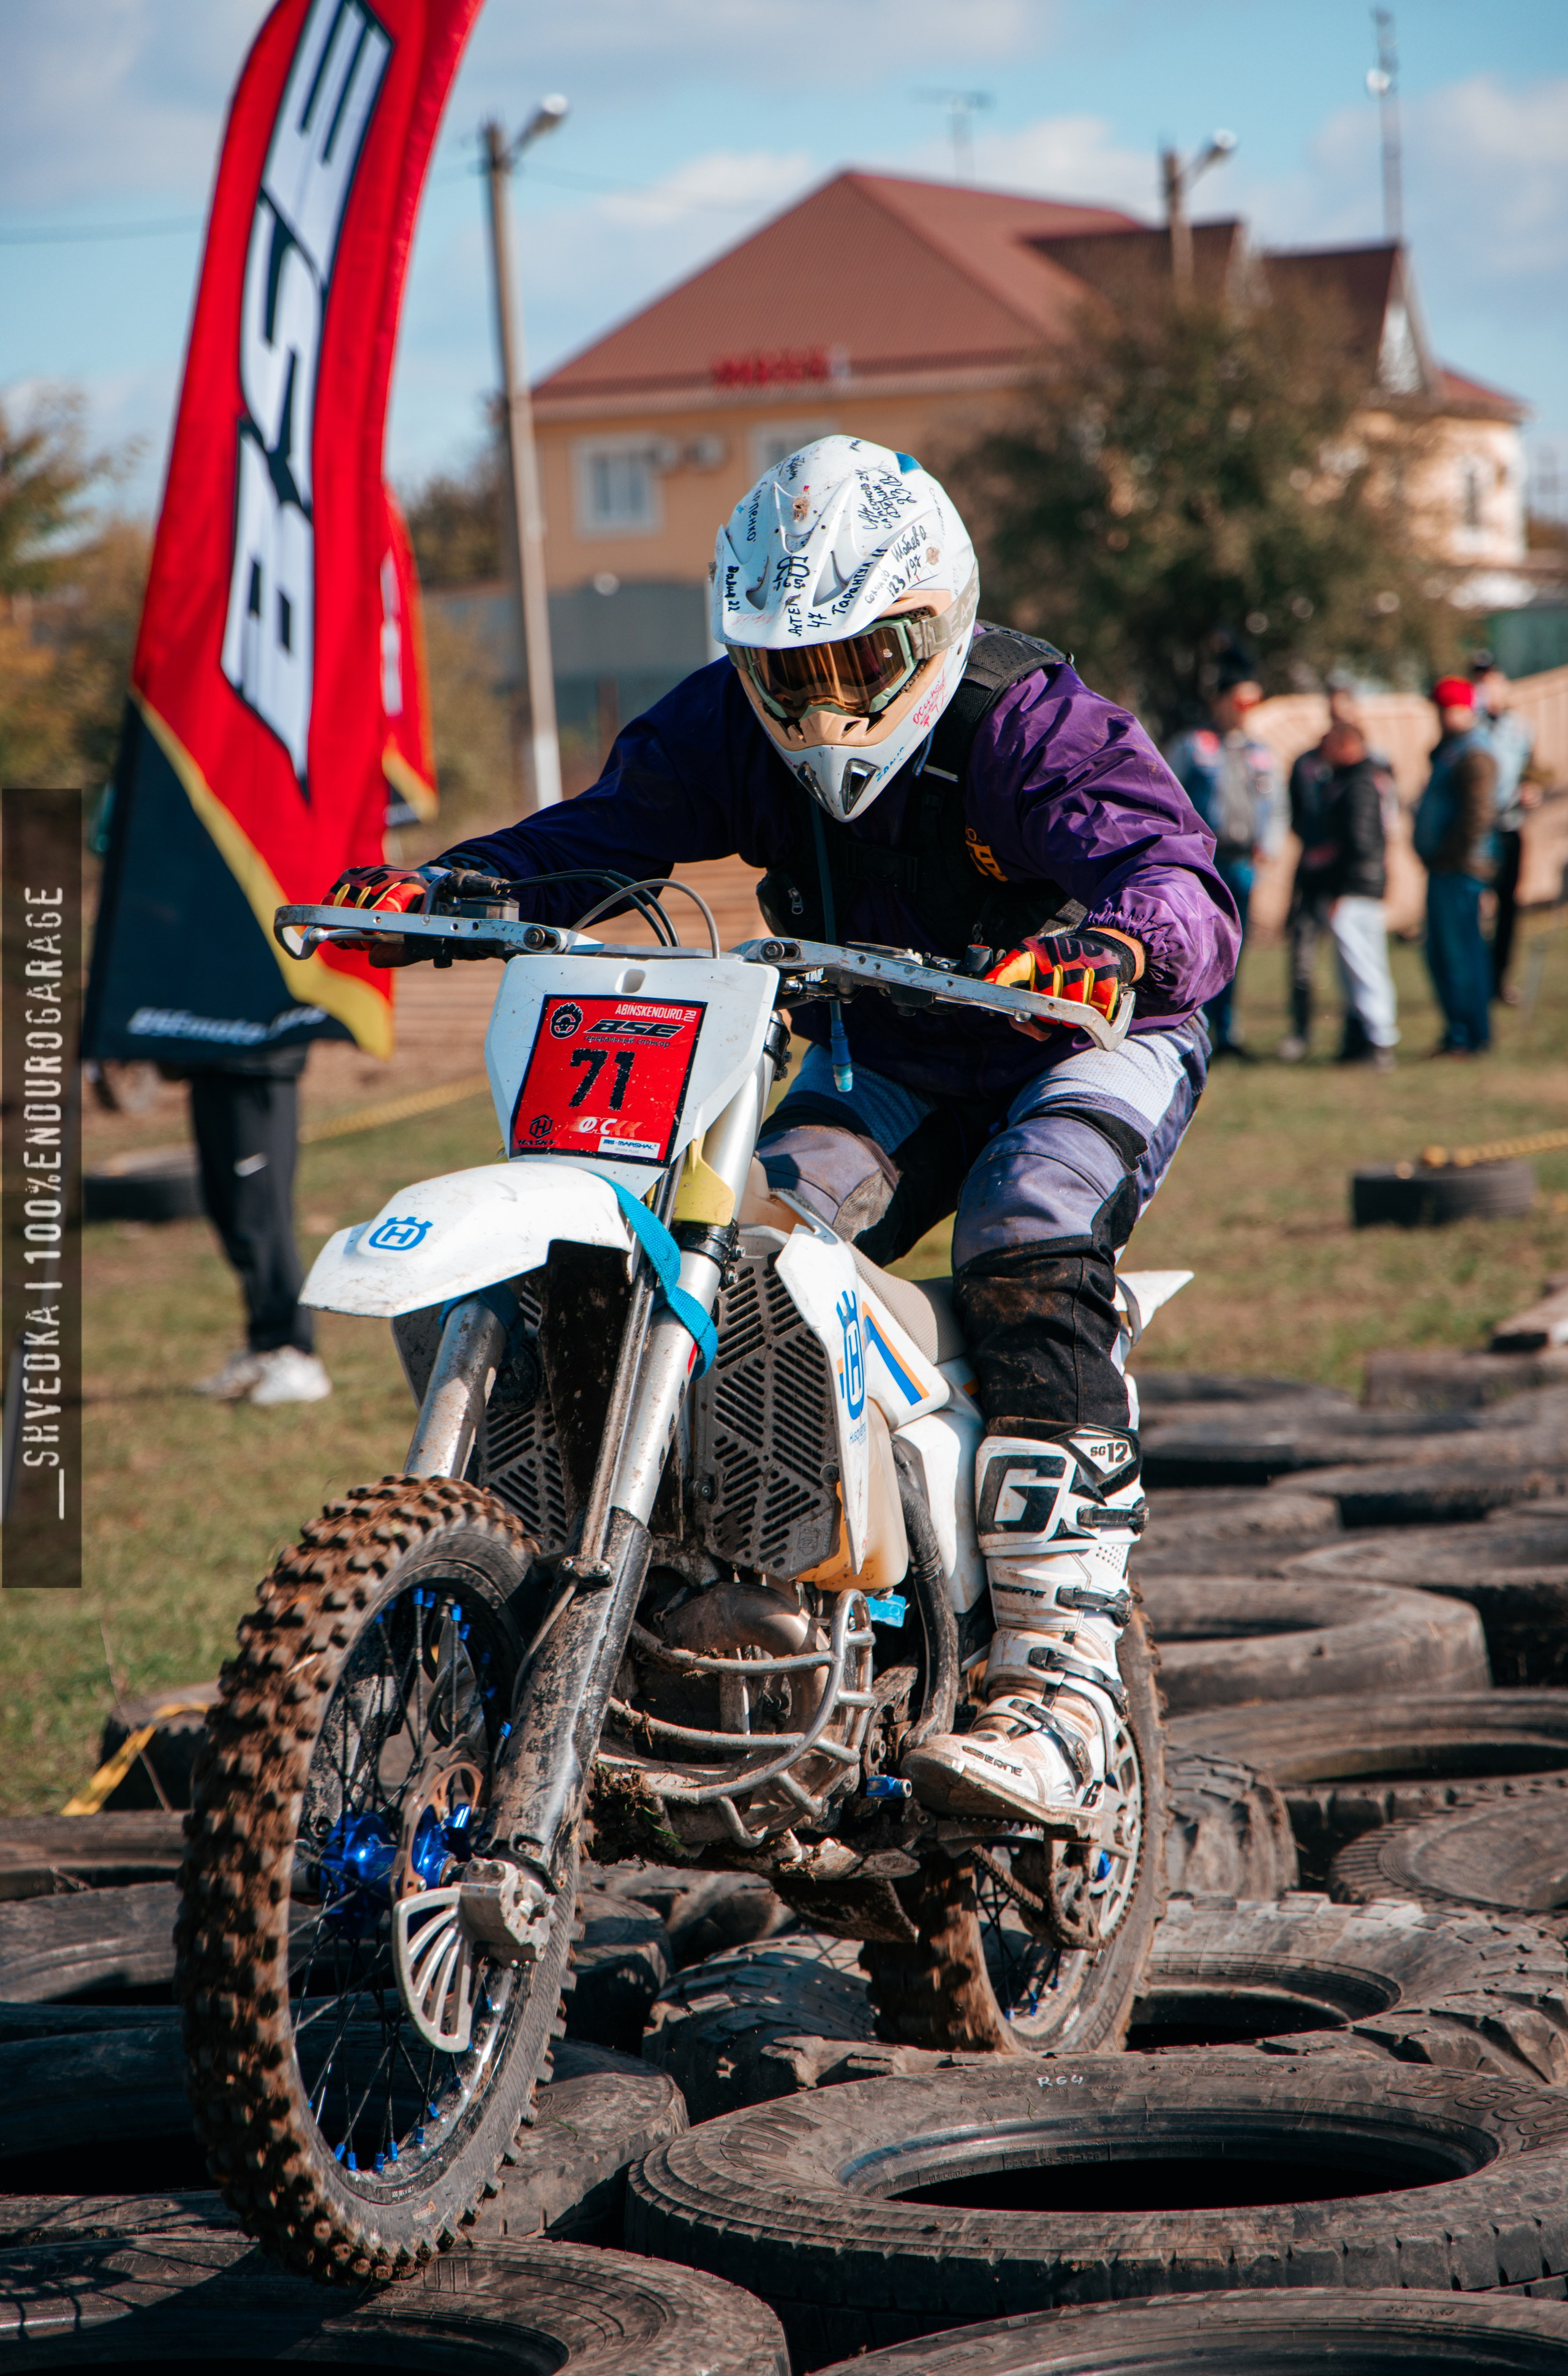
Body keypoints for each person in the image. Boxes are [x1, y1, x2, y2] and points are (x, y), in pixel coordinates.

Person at [320, 436, 1238, 1834]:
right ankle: (723, 1579)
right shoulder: (721, 727)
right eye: (785, 671)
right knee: (738, 1253)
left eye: (854, 666)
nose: (818, 711)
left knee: (1023, 1234)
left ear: (933, 625)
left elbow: (1174, 875)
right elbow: (606, 830)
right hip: (887, 1046)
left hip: (1087, 1034)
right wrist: (452, 885)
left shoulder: (1027, 724)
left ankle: (1059, 1682)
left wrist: (1116, 943)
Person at [186, 1047, 332, 1406]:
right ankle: (265, 1345)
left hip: (257, 1061)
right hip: (206, 1061)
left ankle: (296, 1353)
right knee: (231, 1214)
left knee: (261, 1217)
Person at [1164, 651, 1284, 1058]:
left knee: (1234, 951)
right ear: (1220, 701)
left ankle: (1228, 1033)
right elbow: (1167, 795)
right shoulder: (1194, 745)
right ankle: (1194, 1029)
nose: (1245, 711)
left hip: (1244, 863)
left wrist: (1270, 844)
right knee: (1198, 948)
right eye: (1240, 701)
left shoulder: (1261, 752)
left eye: (1253, 702)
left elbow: (1277, 804)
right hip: (1203, 865)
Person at [1279, 679, 1398, 1062]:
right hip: (1342, 885)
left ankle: (1378, 1040)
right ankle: (1358, 1038)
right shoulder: (1340, 776)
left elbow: (1362, 842)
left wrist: (1346, 888)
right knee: (1346, 967)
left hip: (1355, 887)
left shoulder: (1361, 782)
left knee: (1365, 967)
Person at [1413, 674, 1499, 1058]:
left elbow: (1479, 813)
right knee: (1440, 954)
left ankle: (1471, 1034)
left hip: (1461, 871)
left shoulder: (1475, 753)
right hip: (1442, 869)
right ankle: (1456, 1031)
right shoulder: (1448, 750)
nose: (1443, 717)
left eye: (1449, 709)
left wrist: (1454, 854)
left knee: (1463, 954)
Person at [1470, 652, 1540, 1006]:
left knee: (1508, 908)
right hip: (1478, 831)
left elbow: (1534, 771)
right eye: (1479, 680)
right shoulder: (1469, 729)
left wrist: (1532, 789)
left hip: (1510, 826)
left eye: (1491, 678)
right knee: (1476, 906)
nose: (1486, 687)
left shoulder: (1521, 729)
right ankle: (1478, 978)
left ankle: (1500, 980)